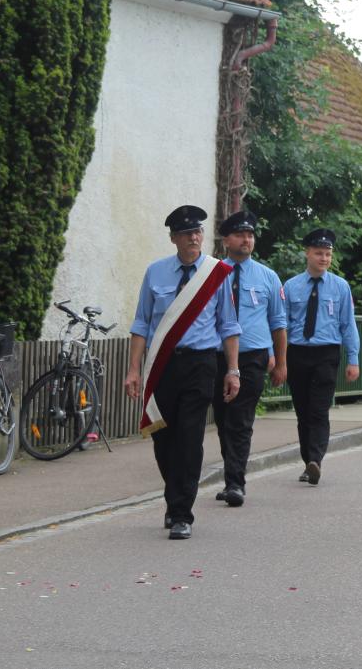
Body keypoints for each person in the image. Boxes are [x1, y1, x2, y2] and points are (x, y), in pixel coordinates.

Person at [124, 205, 242, 540]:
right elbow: (141, 323)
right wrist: (133, 370)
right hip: (162, 365)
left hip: (200, 364)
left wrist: (233, 370)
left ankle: (181, 514)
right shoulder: (155, 272)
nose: (194, 238)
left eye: (198, 232)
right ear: (174, 238)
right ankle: (174, 496)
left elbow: (229, 325)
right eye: (187, 233)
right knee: (162, 437)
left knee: (189, 438)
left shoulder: (216, 273)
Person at [213, 210, 288, 507]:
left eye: (250, 235)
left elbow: (279, 323)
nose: (246, 240)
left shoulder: (268, 277)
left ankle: (235, 483)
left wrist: (280, 362)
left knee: (240, 420)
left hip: (253, 357)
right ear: (226, 240)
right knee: (223, 419)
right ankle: (231, 477)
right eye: (240, 235)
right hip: (217, 357)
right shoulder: (213, 273)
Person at [283, 228, 360, 485]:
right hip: (297, 353)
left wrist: (353, 358)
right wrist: (278, 358)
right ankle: (309, 462)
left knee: (318, 409)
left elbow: (348, 324)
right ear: (307, 253)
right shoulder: (291, 286)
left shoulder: (340, 287)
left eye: (328, 254)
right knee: (302, 411)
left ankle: (316, 459)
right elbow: (282, 325)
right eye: (319, 253)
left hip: (326, 353)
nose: (324, 258)